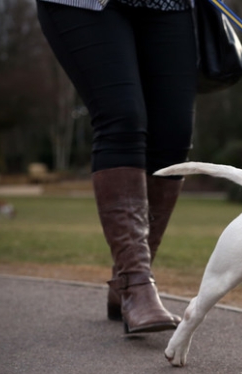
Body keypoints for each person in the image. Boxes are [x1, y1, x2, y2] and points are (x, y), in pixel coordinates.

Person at [36, 0, 198, 333]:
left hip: (169, 4)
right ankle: (137, 284)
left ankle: (126, 281)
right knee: (122, 118)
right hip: (85, 3)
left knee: (174, 134)